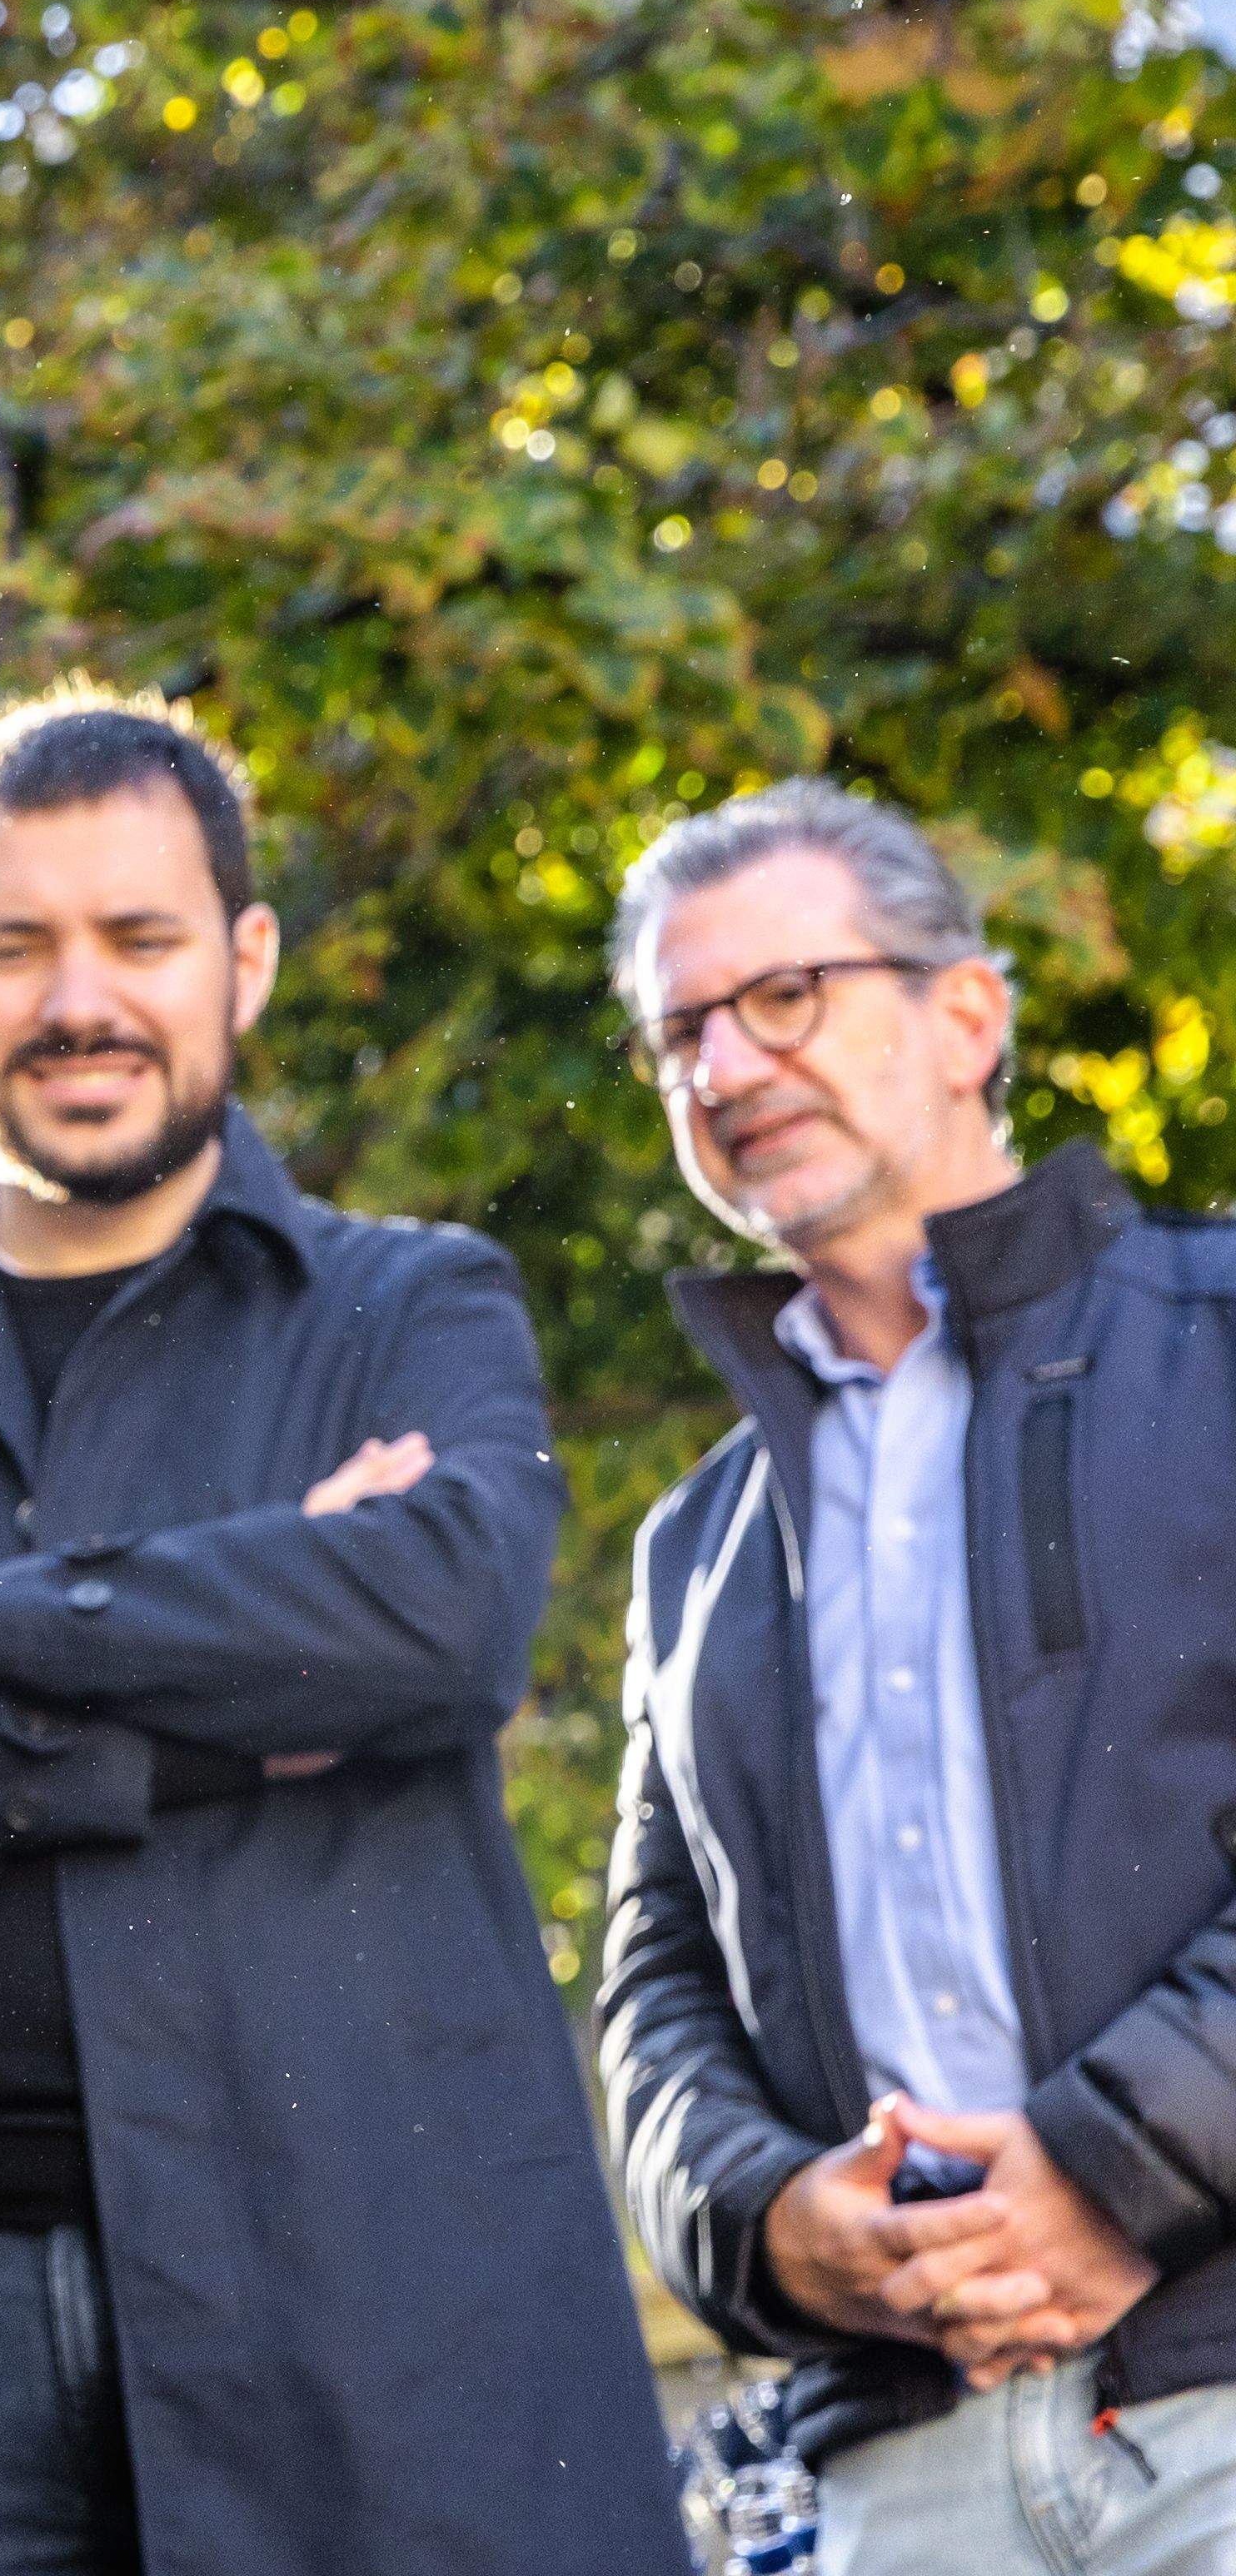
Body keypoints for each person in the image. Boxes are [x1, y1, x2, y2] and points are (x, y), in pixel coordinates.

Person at [0, 689, 674, 2576]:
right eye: (16, 946)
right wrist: (184, 1716)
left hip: (358, 2303)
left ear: (244, 960)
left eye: (140, 937)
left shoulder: (413, 1308)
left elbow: (447, 1618)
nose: (78, 1000)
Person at [595, 780, 1236, 2569]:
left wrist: (1105, 2173)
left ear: (968, 1016)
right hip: (902, 2464)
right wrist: (769, 2217)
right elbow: (656, 1995)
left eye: (784, 994)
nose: (726, 1066)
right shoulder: (696, 1546)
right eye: (680, 1034)